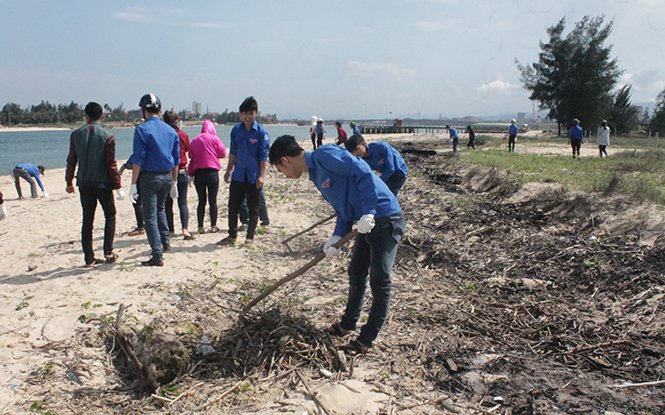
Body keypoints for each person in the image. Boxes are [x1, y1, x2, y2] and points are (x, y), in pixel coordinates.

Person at [269, 135, 405, 356]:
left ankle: (366, 340)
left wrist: (369, 210)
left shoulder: (325, 154)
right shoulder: (315, 175)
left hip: (385, 218)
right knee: (357, 271)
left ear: (285, 160)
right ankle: (348, 324)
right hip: (364, 223)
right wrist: (336, 237)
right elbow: (343, 207)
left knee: (380, 279)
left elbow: (362, 171)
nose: (284, 175)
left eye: (280, 170)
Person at [65, 102, 125, 267]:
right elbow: (111, 164)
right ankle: (108, 251)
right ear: (102, 116)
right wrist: (118, 186)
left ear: (86, 116)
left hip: (84, 183)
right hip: (103, 183)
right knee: (110, 214)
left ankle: (89, 258)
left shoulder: (76, 135)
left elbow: (71, 161)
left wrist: (69, 181)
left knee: (87, 220)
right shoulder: (107, 136)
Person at [128, 93, 180, 267]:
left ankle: (157, 255)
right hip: (167, 176)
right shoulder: (171, 131)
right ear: (159, 109)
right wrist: (173, 182)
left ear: (144, 111)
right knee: (161, 209)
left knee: (150, 216)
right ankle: (165, 242)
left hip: (150, 178)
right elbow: (176, 160)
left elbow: (138, 159)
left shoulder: (142, 130)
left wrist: (133, 184)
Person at [219, 96, 270, 246]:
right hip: (239, 175)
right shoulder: (236, 131)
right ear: (240, 114)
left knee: (254, 208)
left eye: (250, 113)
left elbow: (263, 156)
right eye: (243, 113)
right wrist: (228, 170)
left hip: (254, 176)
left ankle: (250, 237)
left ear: (256, 113)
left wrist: (261, 176)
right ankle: (232, 235)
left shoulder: (261, 133)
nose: (247, 117)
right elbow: (233, 152)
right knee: (233, 207)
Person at [187, 119, 227, 234]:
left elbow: (192, 159)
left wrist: (190, 174)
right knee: (213, 200)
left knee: (201, 201)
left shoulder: (194, 140)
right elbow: (223, 153)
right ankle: (213, 226)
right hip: (212, 172)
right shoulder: (215, 139)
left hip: (199, 173)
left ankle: (200, 227)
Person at [163, 111, 193, 240]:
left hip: (168, 171)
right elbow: (187, 148)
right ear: (176, 122)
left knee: (168, 202)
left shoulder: (164, 135)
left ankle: (170, 229)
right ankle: (185, 229)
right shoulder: (183, 135)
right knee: (182, 201)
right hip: (182, 169)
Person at [119, 161, 144, 236]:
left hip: (141, 177)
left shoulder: (141, 150)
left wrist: (122, 168)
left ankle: (141, 227)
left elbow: (134, 162)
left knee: (136, 202)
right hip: (156, 176)